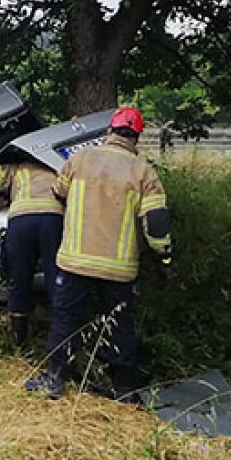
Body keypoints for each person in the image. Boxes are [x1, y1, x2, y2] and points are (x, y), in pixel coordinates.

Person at [25, 107, 173, 400]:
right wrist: (164, 259)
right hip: (118, 268)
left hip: (75, 260)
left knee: (66, 318)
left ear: (110, 131)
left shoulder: (80, 159)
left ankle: (55, 380)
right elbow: (156, 224)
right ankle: (124, 388)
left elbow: (58, 192)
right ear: (136, 137)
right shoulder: (143, 171)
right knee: (118, 324)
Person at [0, 161, 63, 347]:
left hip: (21, 220)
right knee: (56, 278)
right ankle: (61, 341)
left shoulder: (12, 168)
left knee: (19, 279)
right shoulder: (57, 162)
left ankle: (19, 344)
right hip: (53, 218)